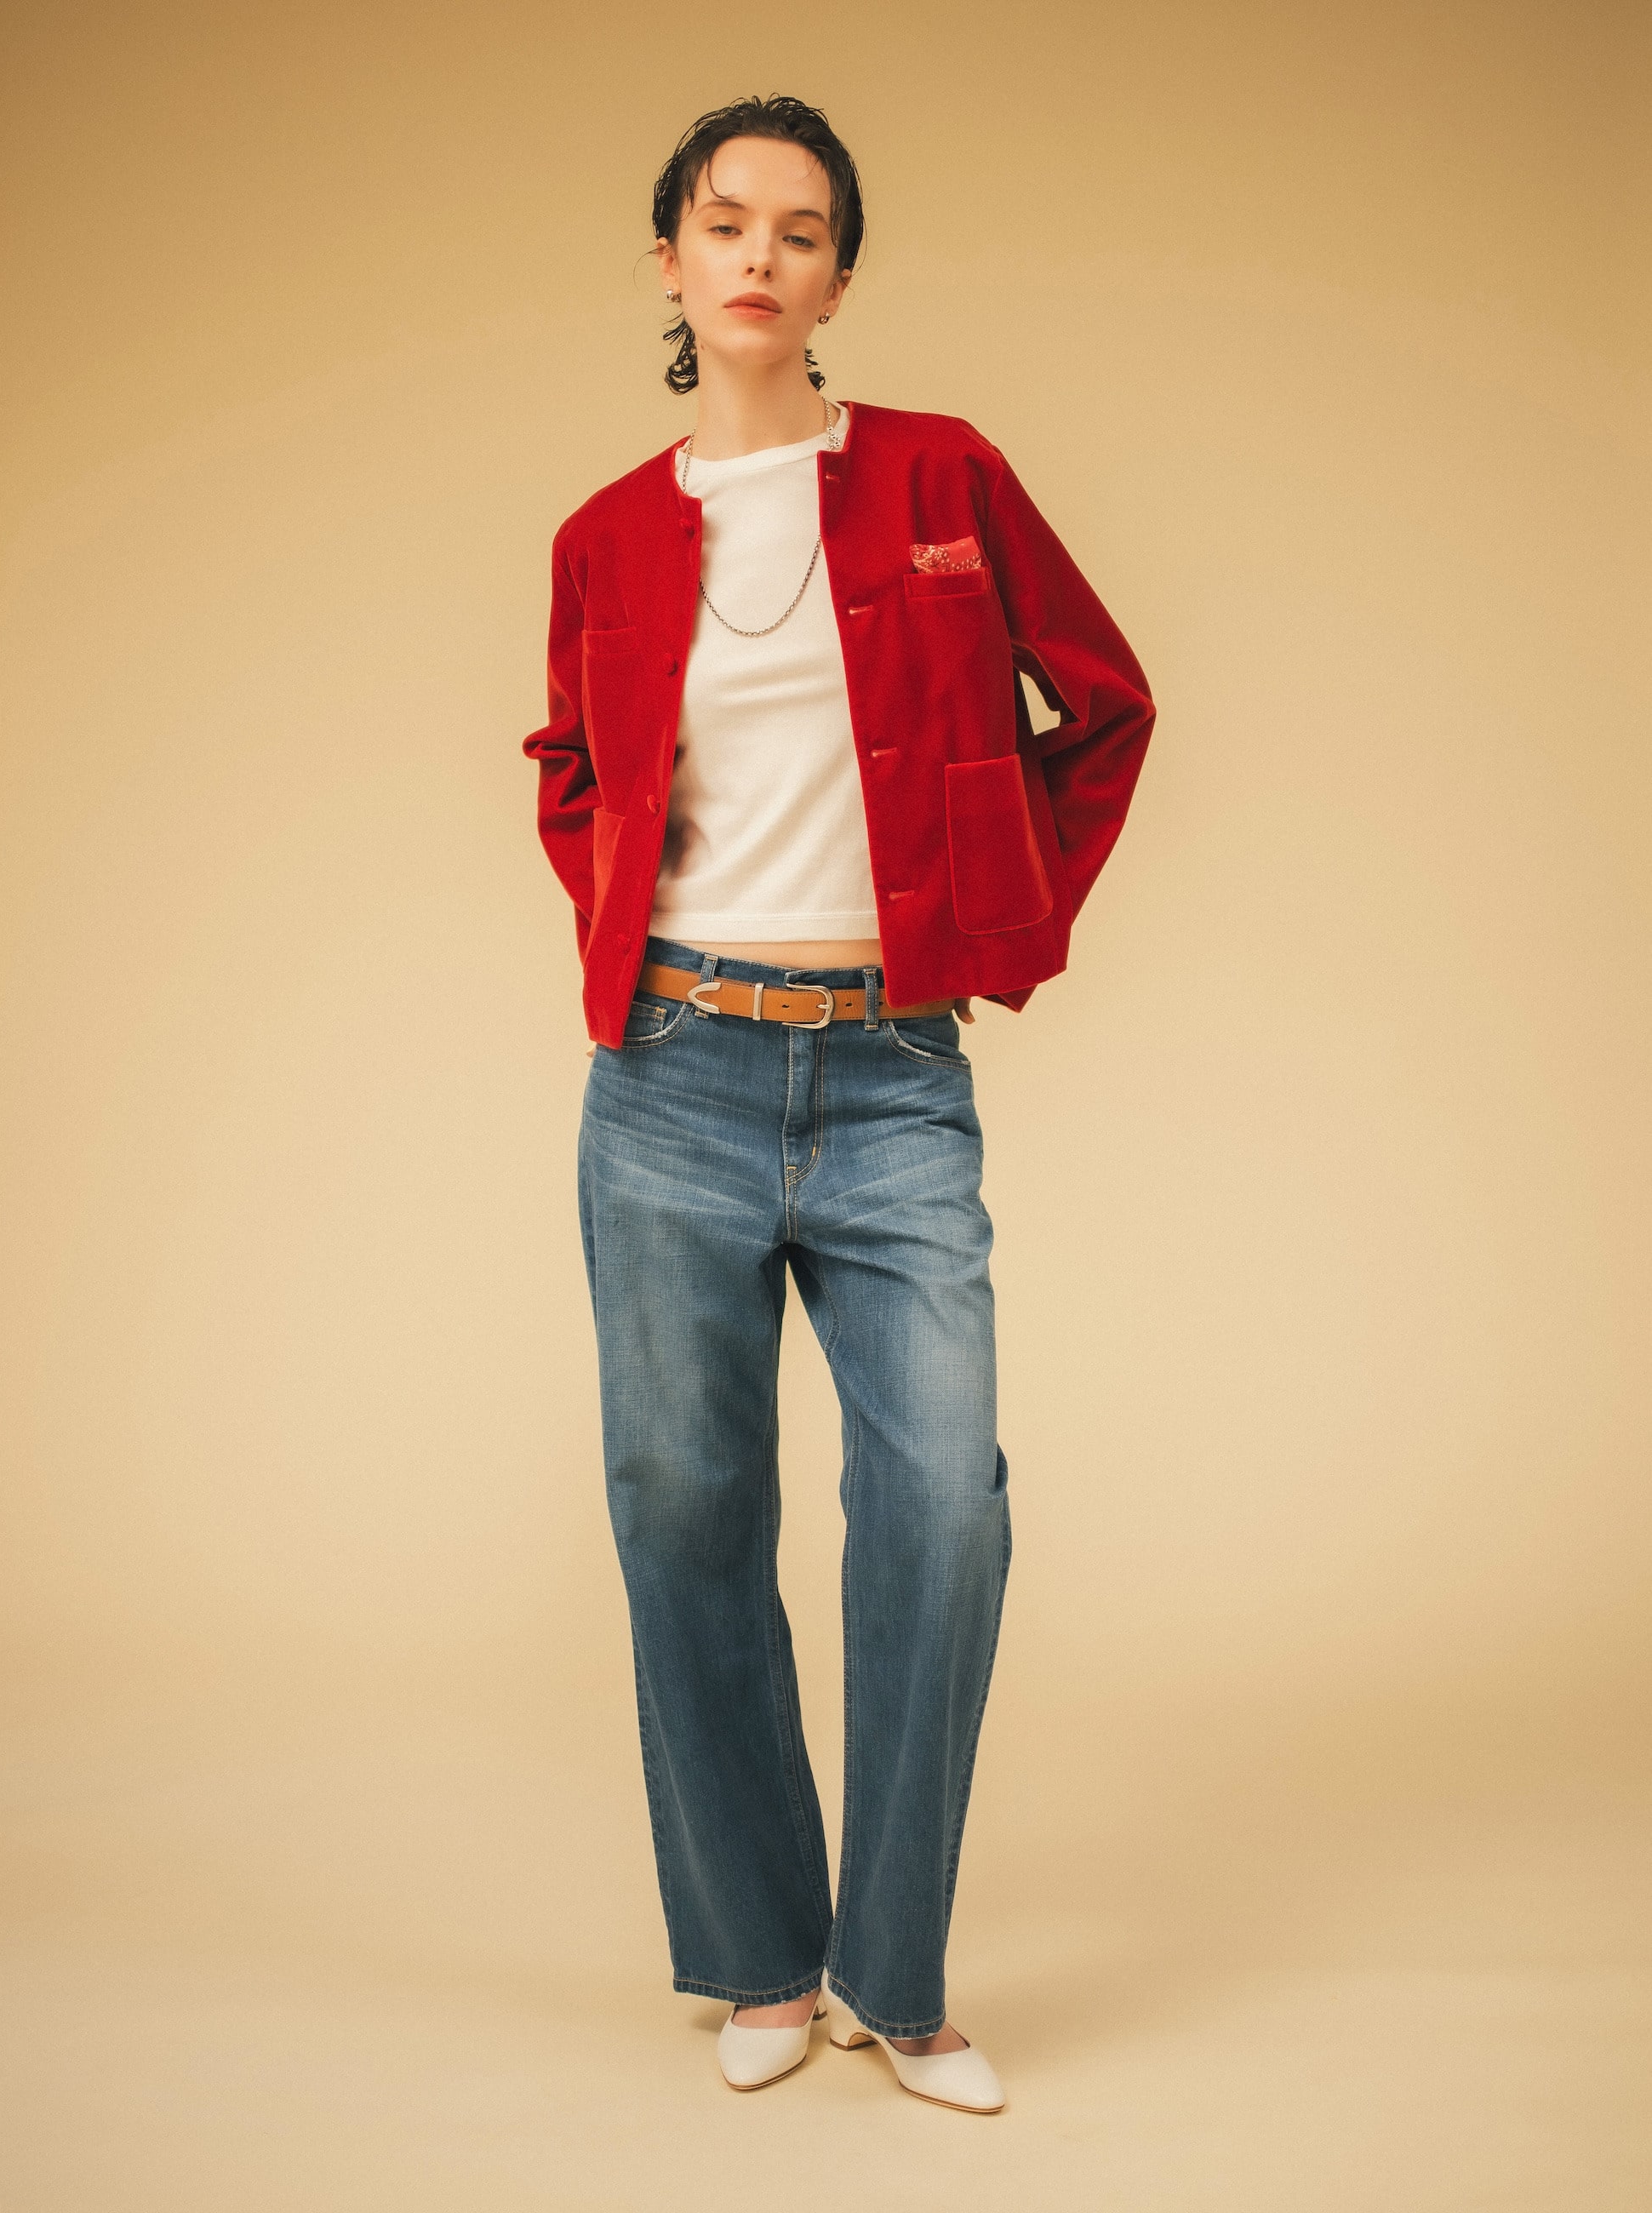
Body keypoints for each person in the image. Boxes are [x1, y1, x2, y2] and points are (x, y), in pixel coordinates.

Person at [523, 94, 1154, 2113]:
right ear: (672, 262)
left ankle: (898, 1968)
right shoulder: (605, 537)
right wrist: (624, 926)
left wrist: (1002, 899)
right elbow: (570, 766)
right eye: (726, 223)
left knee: (943, 1507)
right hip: (671, 1082)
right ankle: (761, 1954)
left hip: (890, 1076)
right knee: (686, 1512)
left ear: (838, 278)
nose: (761, 257)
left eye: (800, 231)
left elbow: (1107, 700)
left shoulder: (945, 475)